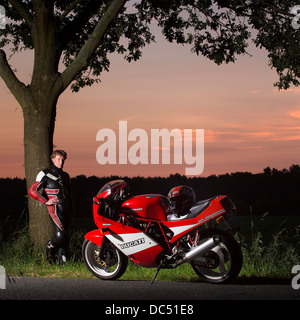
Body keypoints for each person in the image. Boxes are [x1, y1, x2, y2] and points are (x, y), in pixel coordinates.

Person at [29, 150, 74, 265]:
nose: (61, 162)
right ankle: (50, 246)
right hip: (55, 208)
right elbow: (32, 191)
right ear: (53, 159)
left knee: (66, 237)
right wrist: (45, 201)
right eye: (58, 159)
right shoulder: (45, 173)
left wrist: (73, 210)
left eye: (63, 160)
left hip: (67, 208)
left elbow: (70, 195)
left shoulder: (66, 176)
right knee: (60, 236)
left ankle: (62, 265)